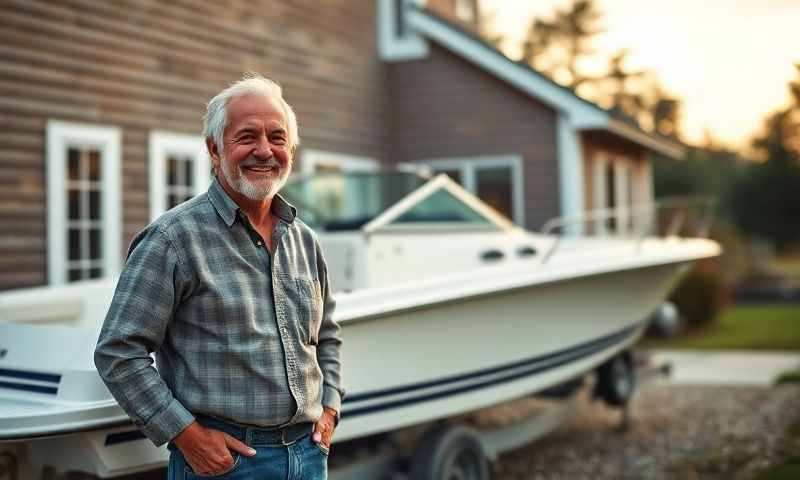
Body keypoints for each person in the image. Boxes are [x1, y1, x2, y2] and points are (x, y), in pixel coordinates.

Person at [94, 73, 343, 479]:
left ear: (291, 150)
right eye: (247, 136)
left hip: (308, 457)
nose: (264, 150)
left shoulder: (305, 240)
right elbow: (118, 352)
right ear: (214, 149)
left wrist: (330, 406)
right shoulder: (172, 240)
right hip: (225, 464)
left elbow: (327, 335)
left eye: (277, 138)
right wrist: (187, 436)